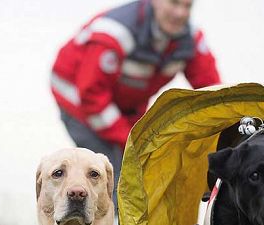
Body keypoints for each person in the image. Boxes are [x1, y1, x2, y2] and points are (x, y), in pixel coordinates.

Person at [50, 0, 221, 198]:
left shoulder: (190, 39)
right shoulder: (115, 33)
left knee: (139, 169)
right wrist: (133, 141)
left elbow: (212, 94)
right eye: (174, 3)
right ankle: (111, 222)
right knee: (110, 172)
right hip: (78, 101)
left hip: (125, 104)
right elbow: (91, 95)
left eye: (187, 6)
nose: (180, 13)